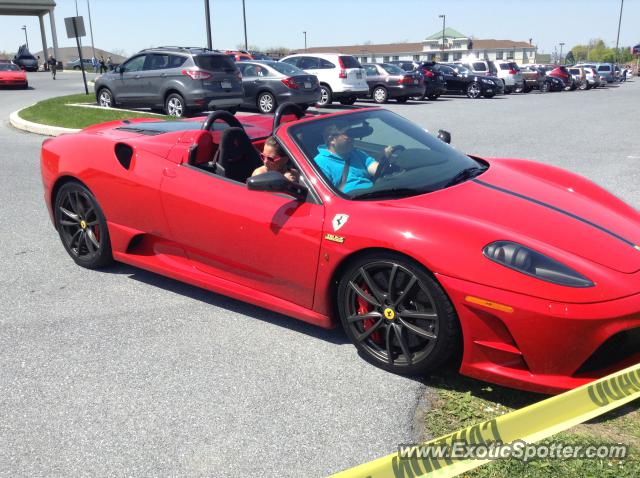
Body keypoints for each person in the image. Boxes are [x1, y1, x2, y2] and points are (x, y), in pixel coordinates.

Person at [313, 124, 394, 193]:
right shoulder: (320, 163)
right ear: (332, 140)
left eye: (352, 134)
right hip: (350, 202)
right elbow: (324, 194)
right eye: (348, 135)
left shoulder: (356, 153)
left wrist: (385, 159)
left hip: (373, 194)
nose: (352, 138)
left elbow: (377, 170)